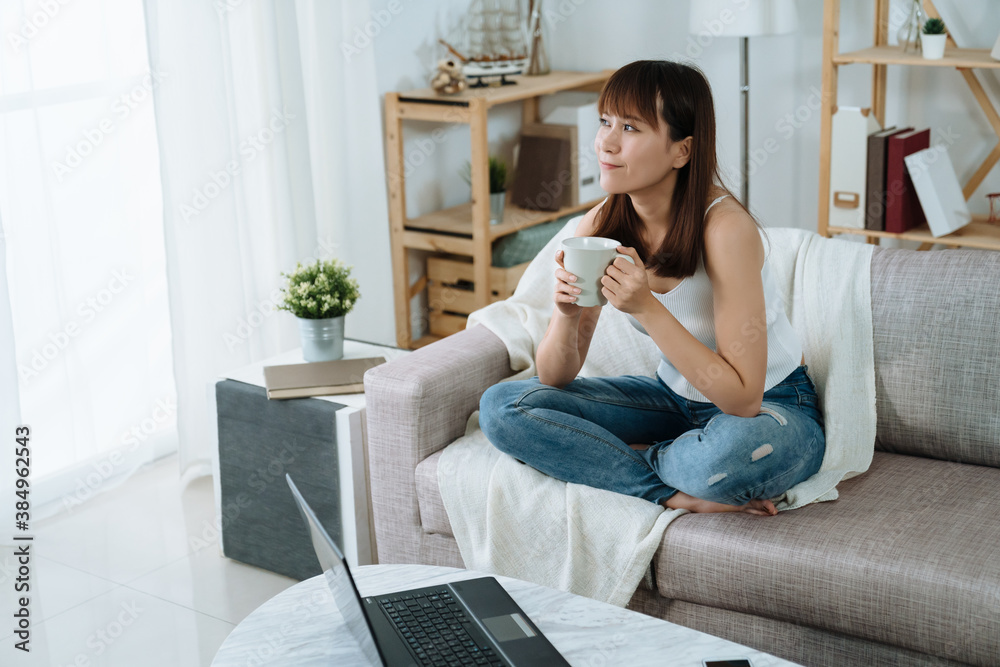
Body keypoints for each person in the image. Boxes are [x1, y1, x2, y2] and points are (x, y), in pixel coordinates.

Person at [478, 60, 825, 516]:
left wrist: (646, 308)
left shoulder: (724, 229)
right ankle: (671, 491)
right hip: (673, 401)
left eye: (630, 127)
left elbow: (743, 399)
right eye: (605, 121)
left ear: (682, 150)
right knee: (504, 407)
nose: (606, 141)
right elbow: (555, 378)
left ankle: (648, 459)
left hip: (772, 407)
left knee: (728, 458)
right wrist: (565, 316)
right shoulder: (601, 226)